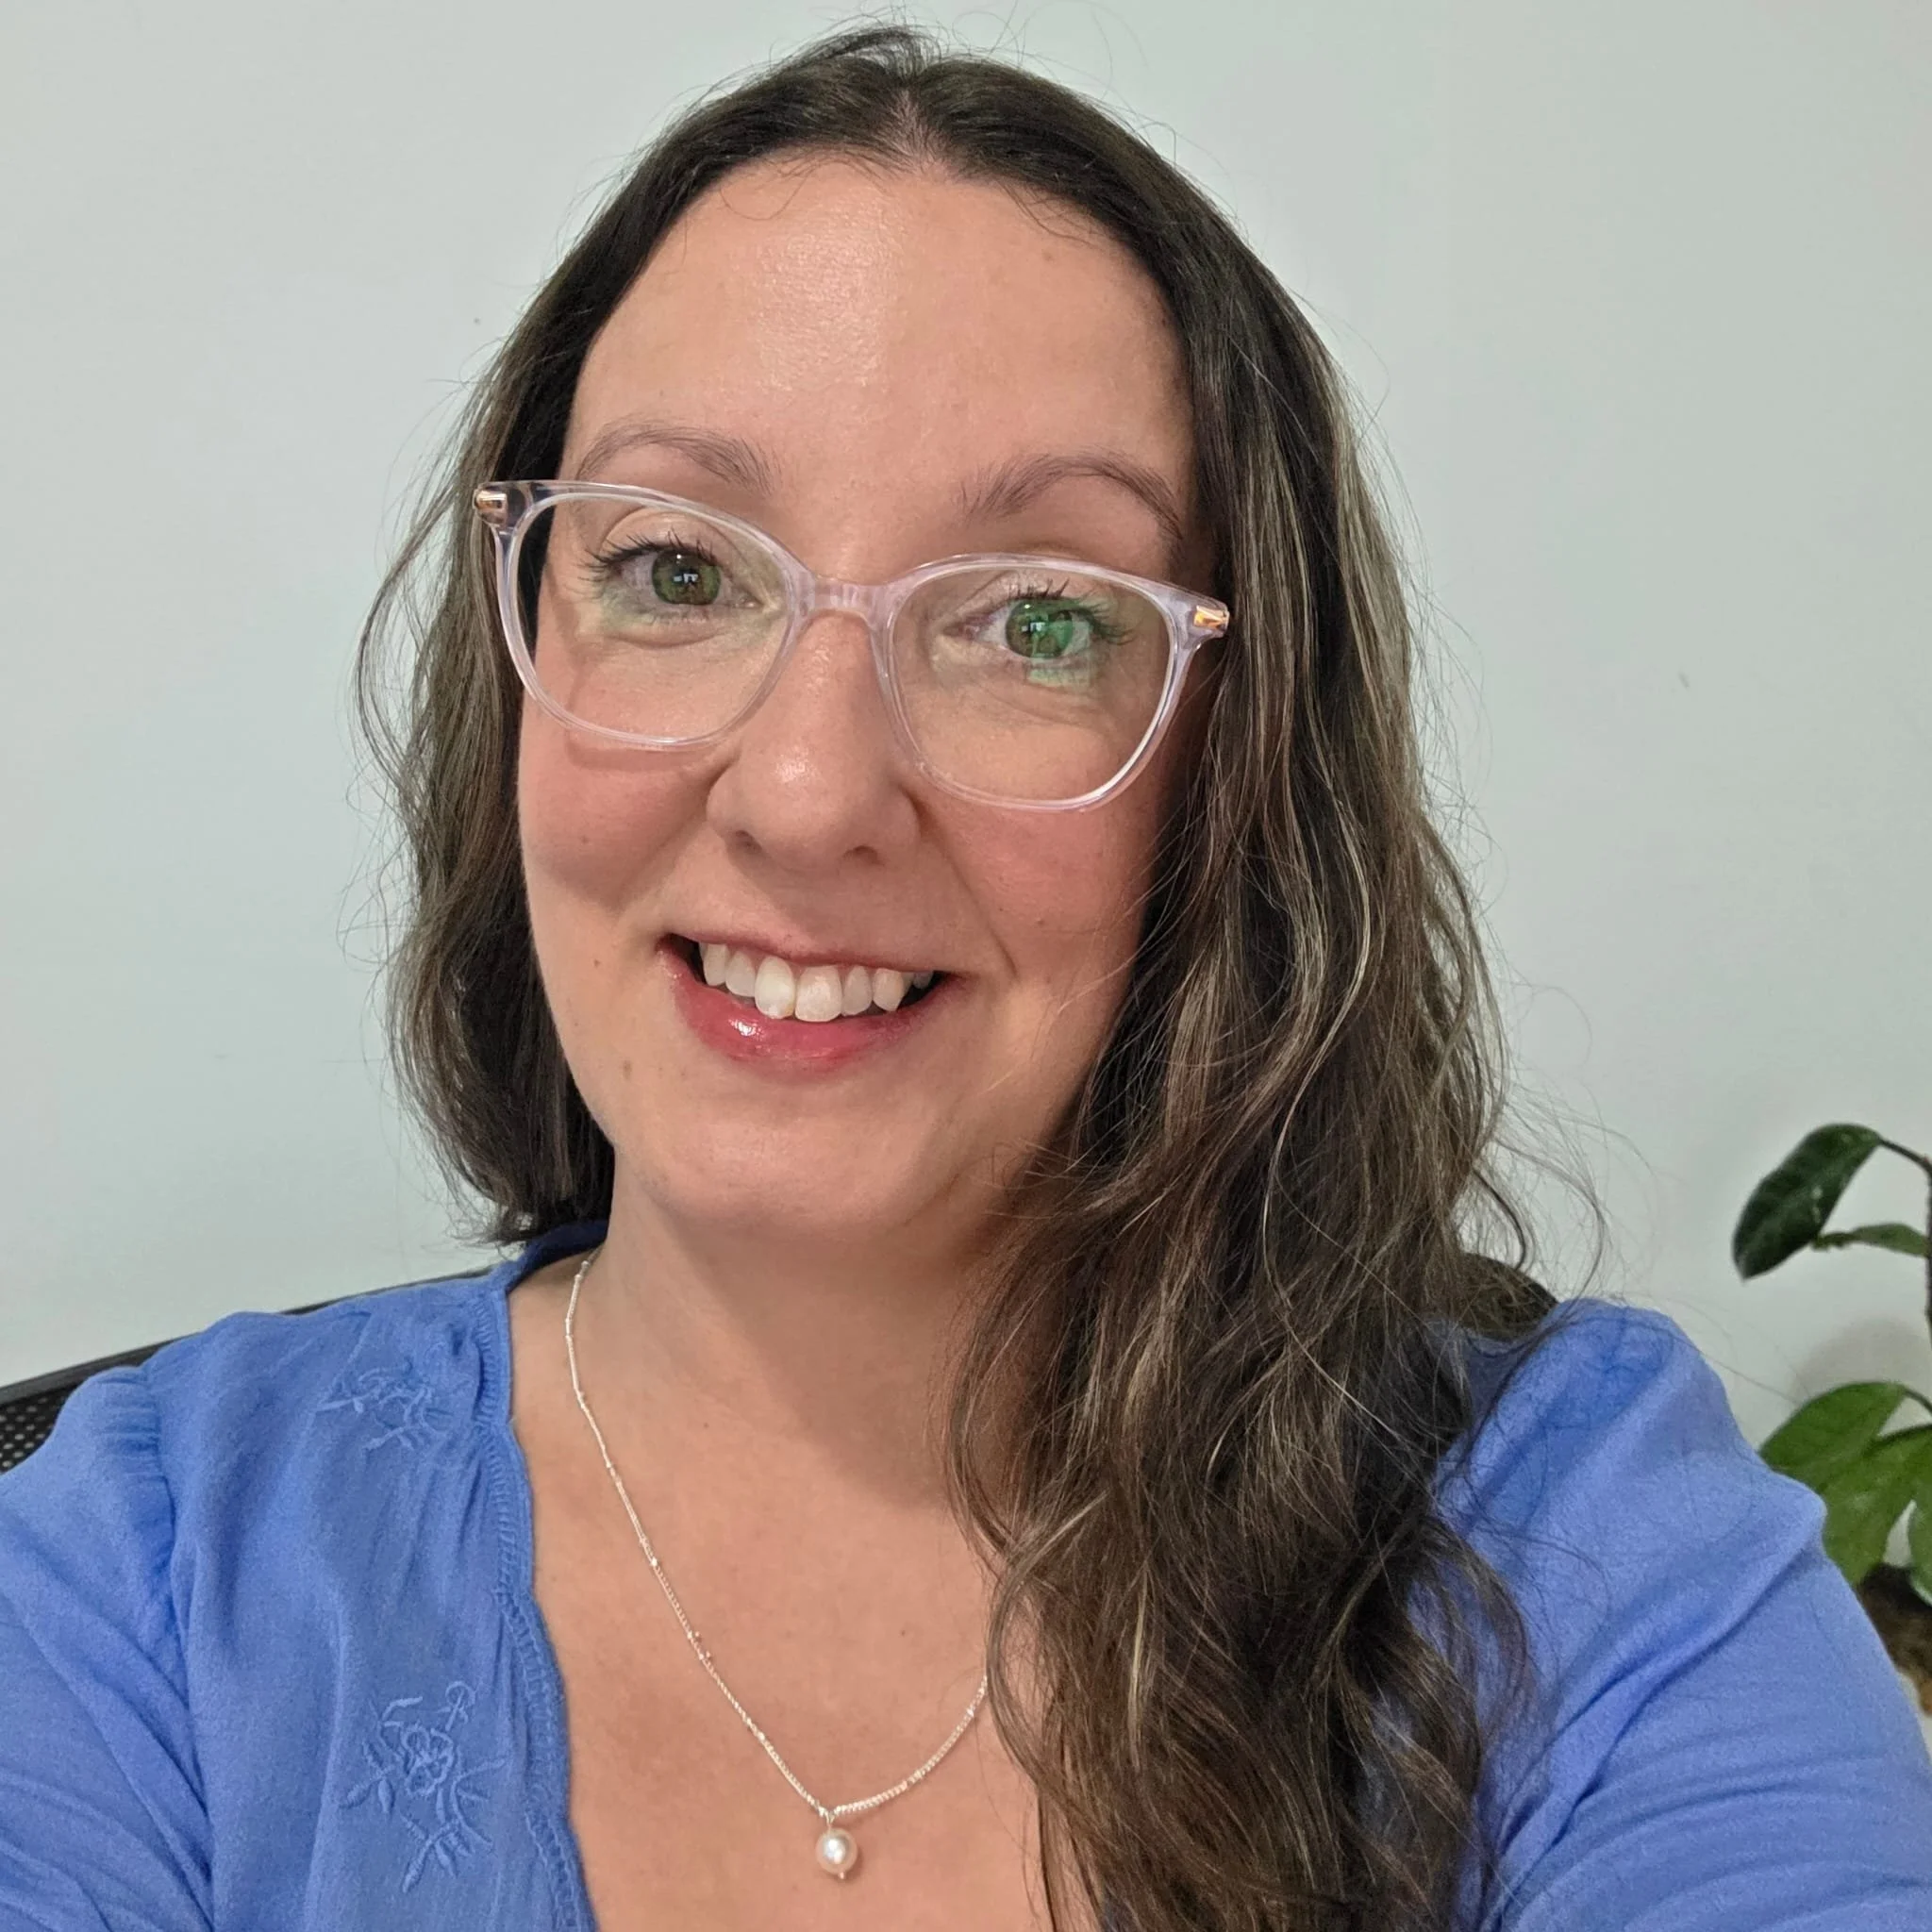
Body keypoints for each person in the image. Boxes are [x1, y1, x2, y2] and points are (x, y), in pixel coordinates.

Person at [2, 25, 1928, 1932]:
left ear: (1235, 771)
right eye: (676, 571)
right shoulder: (147, 1573)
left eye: (1037, 623)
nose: (807, 793)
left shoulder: (1581, 1548)